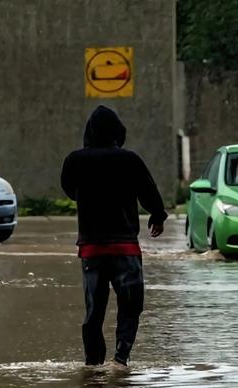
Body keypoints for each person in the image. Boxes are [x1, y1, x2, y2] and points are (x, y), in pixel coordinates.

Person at [61, 105, 167, 368]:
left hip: (91, 249)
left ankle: (93, 364)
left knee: (94, 311)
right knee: (130, 307)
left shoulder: (75, 160)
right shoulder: (130, 160)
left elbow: (69, 190)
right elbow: (149, 192)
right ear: (118, 132)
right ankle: (121, 358)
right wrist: (157, 215)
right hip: (125, 248)